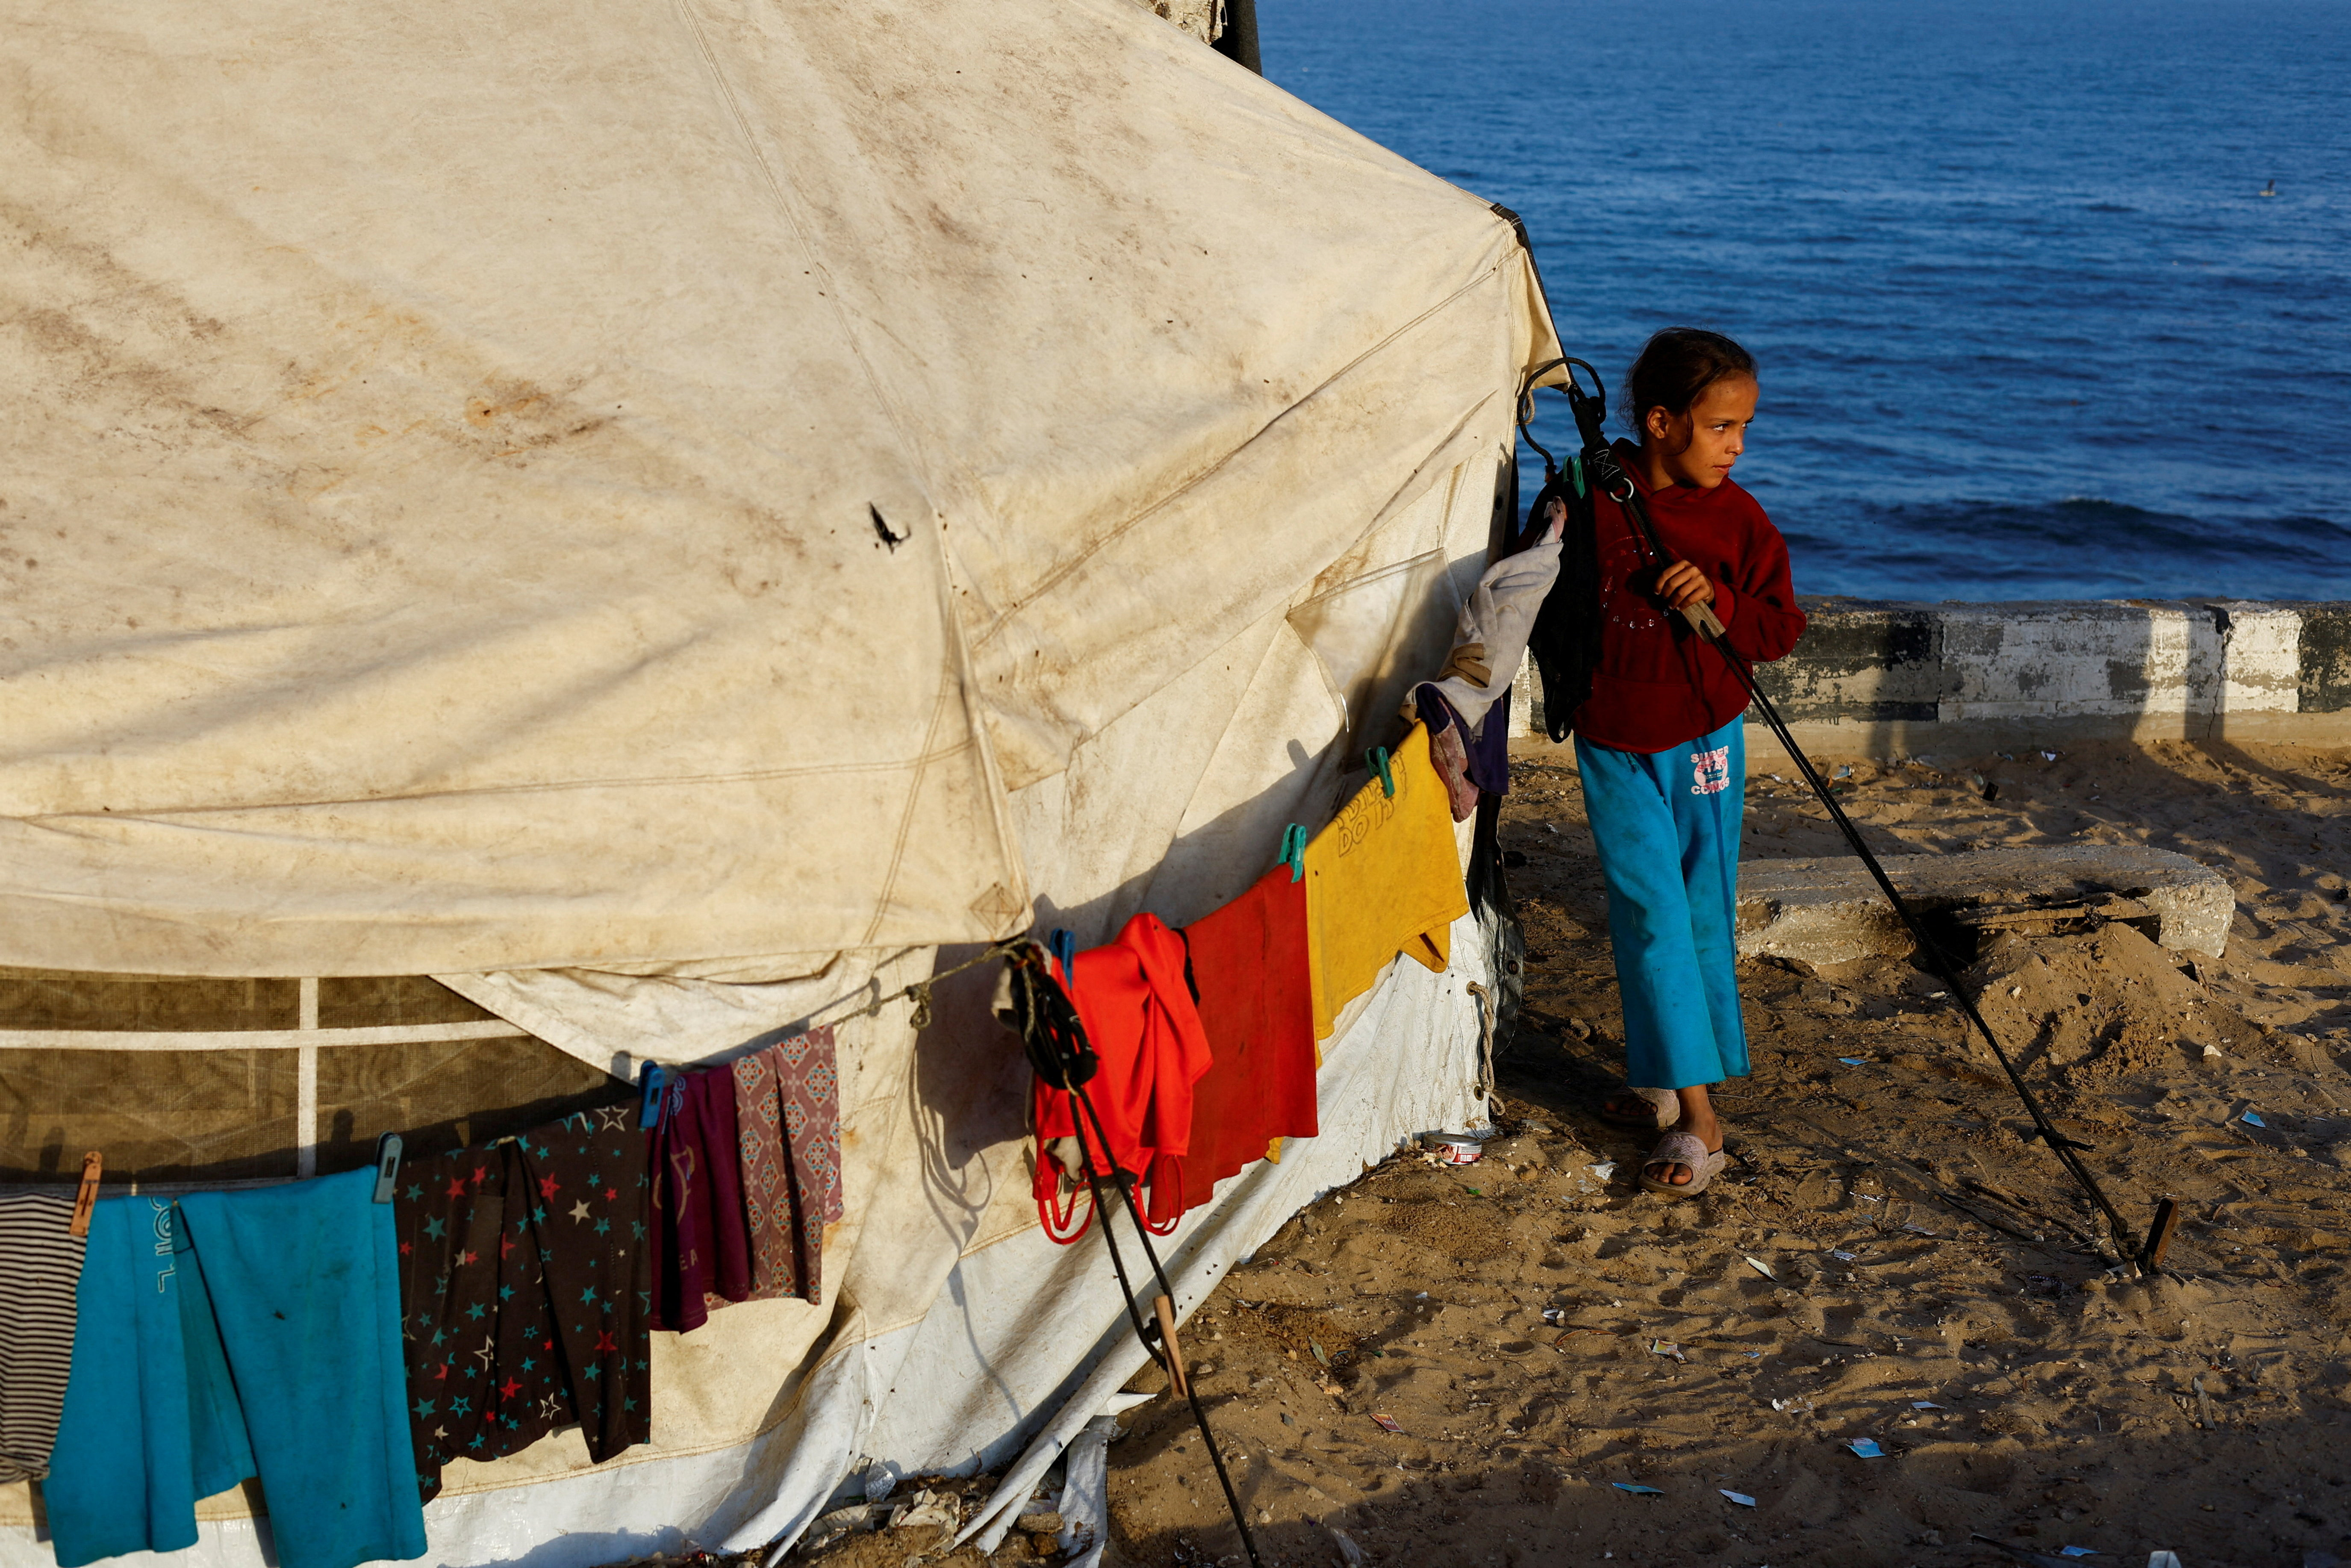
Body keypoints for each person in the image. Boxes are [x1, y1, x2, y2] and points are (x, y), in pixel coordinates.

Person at [1558, 328, 1806, 1196]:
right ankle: (1701, 1119)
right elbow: (1529, 585)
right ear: (1660, 423)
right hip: (1611, 740)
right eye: (1720, 427)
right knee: (1649, 915)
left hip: (1705, 740)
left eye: (1743, 427)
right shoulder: (1590, 495)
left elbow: (1779, 626)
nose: (1736, 446)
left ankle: (1668, 1081)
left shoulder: (1736, 518)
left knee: (1697, 915)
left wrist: (1723, 597)